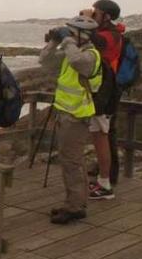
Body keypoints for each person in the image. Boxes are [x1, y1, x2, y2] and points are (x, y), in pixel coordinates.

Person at [39, 16, 102, 224]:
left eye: (72, 33)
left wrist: (67, 41)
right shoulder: (71, 52)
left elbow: (77, 63)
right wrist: (54, 42)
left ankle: (75, 207)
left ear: (84, 35)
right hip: (65, 113)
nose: (69, 37)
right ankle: (74, 202)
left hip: (77, 116)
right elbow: (45, 61)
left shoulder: (91, 56)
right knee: (71, 161)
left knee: (72, 162)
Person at [86, 0, 124, 200]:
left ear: (106, 16)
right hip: (103, 92)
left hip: (104, 94)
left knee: (101, 137)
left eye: (96, 13)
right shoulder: (112, 33)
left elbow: (95, 41)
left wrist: (85, 21)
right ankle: (104, 180)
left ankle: (105, 184)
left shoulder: (111, 35)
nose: (93, 15)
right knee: (100, 136)